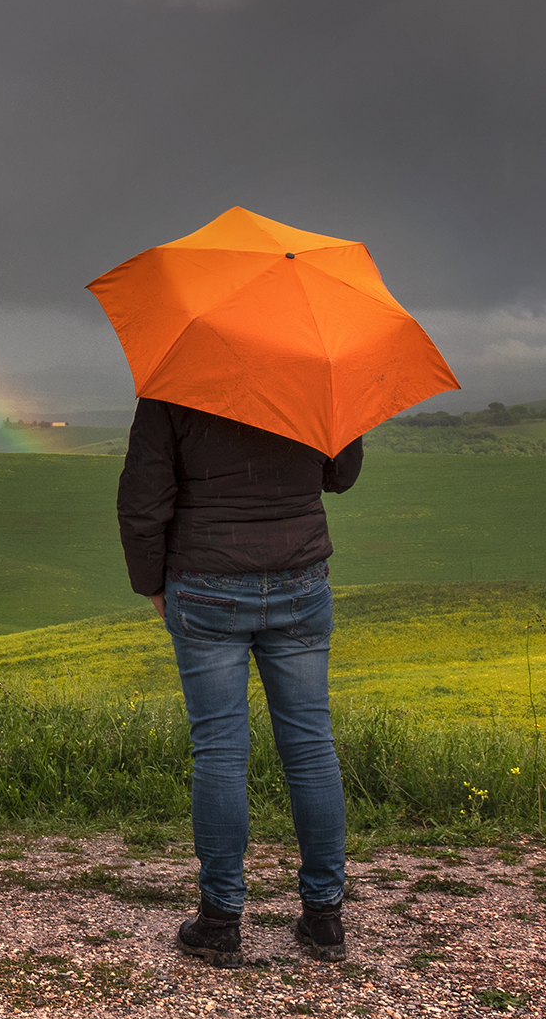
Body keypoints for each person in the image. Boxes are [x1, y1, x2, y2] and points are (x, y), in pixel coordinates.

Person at [116, 398, 363, 968]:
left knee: (220, 751)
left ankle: (221, 921)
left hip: (205, 581)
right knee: (310, 746)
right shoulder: (313, 373)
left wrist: (149, 582)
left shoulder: (172, 386)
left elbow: (142, 498)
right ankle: (325, 917)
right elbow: (341, 474)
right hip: (300, 580)